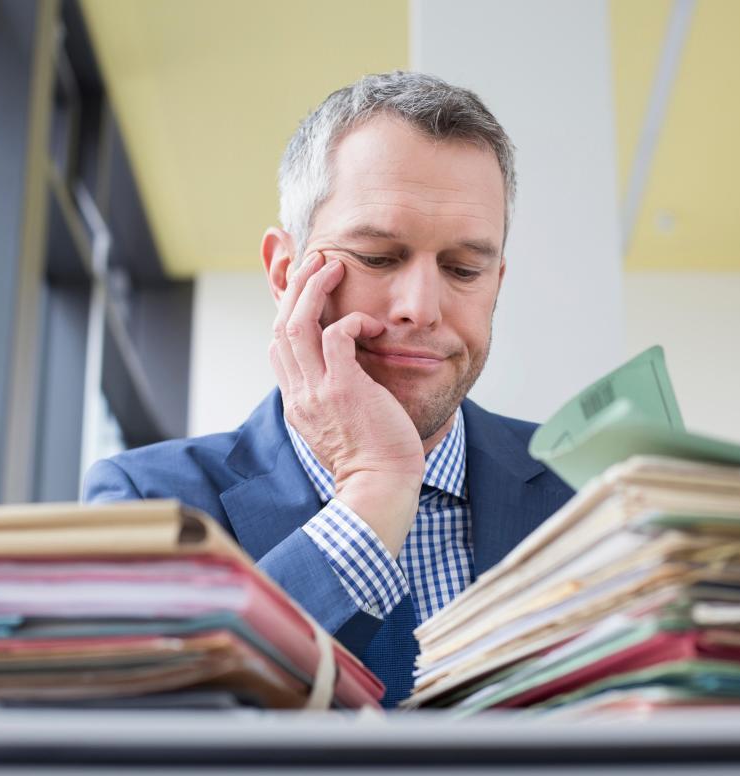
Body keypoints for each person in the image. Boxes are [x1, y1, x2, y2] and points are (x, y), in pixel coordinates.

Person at [84, 71, 574, 706]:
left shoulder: (591, 488)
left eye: (463, 269)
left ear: (496, 283)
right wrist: (374, 491)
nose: (421, 308)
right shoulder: (150, 502)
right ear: (286, 272)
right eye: (377, 257)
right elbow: (157, 738)